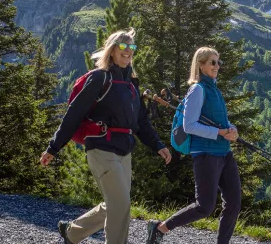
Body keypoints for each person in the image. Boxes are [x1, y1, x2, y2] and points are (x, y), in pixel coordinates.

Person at [39, 28, 172, 244]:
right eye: (123, 46)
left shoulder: (131, 85)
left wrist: (158, 145)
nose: (128, 51)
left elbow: (141, 122)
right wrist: (54, 147)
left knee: (116, 203)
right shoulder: (100, 78)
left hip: (124, 151)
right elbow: (73, 114)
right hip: (101, 148)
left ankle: (71, 233)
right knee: (121, 205)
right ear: (111, 50)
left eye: (132, 47)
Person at [146, 47, 241, 244]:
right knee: (204, 207)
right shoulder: (198, 90)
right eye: (212, 62)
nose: (217, 66)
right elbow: (189, 126)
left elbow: (221, 121)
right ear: (200, 64)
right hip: (205, 153)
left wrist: (232, 129)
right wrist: (219, 133)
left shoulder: (214, 90)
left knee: (233, 203)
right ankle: (160, 229)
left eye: (218, 62)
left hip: (224, 153)